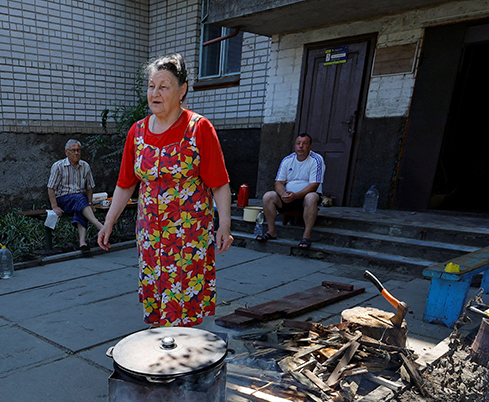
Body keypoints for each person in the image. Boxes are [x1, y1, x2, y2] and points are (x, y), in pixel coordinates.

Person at [97, 54, 233, 327]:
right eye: (151, 86)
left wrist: (225, 225)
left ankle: (183, 359)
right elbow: (126, 184)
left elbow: (219, 183)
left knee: (184, 302)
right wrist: (107, 223)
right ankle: (164, 352)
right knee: (159, 301)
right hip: (150, 236)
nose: (154, 93)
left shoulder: (199, 129)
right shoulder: (137, 133)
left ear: (181, 90)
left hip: (188, 236)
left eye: (163, 86)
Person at [258, 133, 325, 248]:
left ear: (310, 146)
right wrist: (283, 194)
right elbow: (278, 182)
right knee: (268, 196)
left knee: (312, 197)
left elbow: (314, 185)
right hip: (288, 198)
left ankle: (306, 236)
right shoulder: (287, 160)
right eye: (298, 143)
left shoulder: (316, 160)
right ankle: (271, 231)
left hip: (305, 198)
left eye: (304, 144)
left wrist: (296, 195)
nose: (301, 147)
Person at [47, 140, 104, 252]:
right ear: (66, 152)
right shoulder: (58, 166)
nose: (76, 153)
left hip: (80, 200)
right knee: (80, 200)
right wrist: (54, 207)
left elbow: (90, 187)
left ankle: (82, 243)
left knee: (80, 206)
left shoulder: (85, 166)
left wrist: (90, 203)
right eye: (73, 150)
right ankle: (99, 225)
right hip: (63, 199)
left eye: (78, 150)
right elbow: (50, 188)